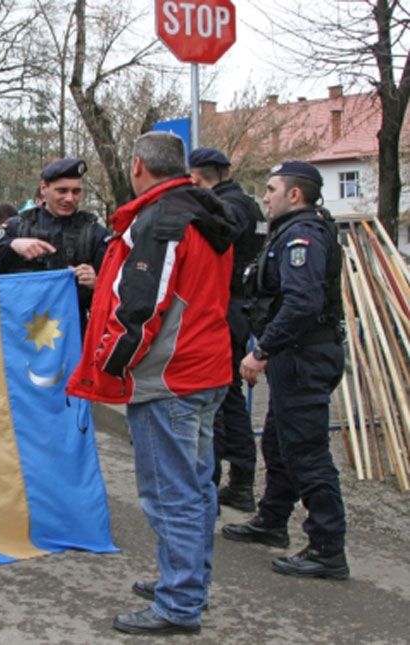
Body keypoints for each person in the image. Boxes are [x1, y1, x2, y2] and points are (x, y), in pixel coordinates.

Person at [66, 132, 238, 636]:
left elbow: (141, 307)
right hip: (205, 368)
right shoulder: (202, 211)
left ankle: (179, 601)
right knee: (196, 487)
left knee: (171, 493)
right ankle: (188, 582)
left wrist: (109, 363)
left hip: (171, 377)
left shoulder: (162, 220)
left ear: (138, 165)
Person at [222, 161, 349, 580]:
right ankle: (272, 521)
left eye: (272, 189)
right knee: (278, 444)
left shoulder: (303, 238)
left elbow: (302, 304)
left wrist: (261, 352)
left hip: (304, 356)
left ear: (295, 195)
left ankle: (328, 548)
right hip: (295, 357)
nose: (265, 196)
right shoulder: (292, 232)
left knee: (307, 453)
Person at [189, 147, 267, 512]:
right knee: (228, 395)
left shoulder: (223, 209)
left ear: (198, 178)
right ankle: (240, 482)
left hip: (225, 306)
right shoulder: (251, 205)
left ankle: (222, 483)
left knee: (221, 400)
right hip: (244, 306)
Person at [0, 159, 108, 334]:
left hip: (72, 334)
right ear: (43, 188)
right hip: (19, 332)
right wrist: (11, 246)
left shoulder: (94, 233)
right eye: (62, 191)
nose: (70, 198)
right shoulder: (17, 226)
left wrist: (98, 282)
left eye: (76, 191)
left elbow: (119, 288)